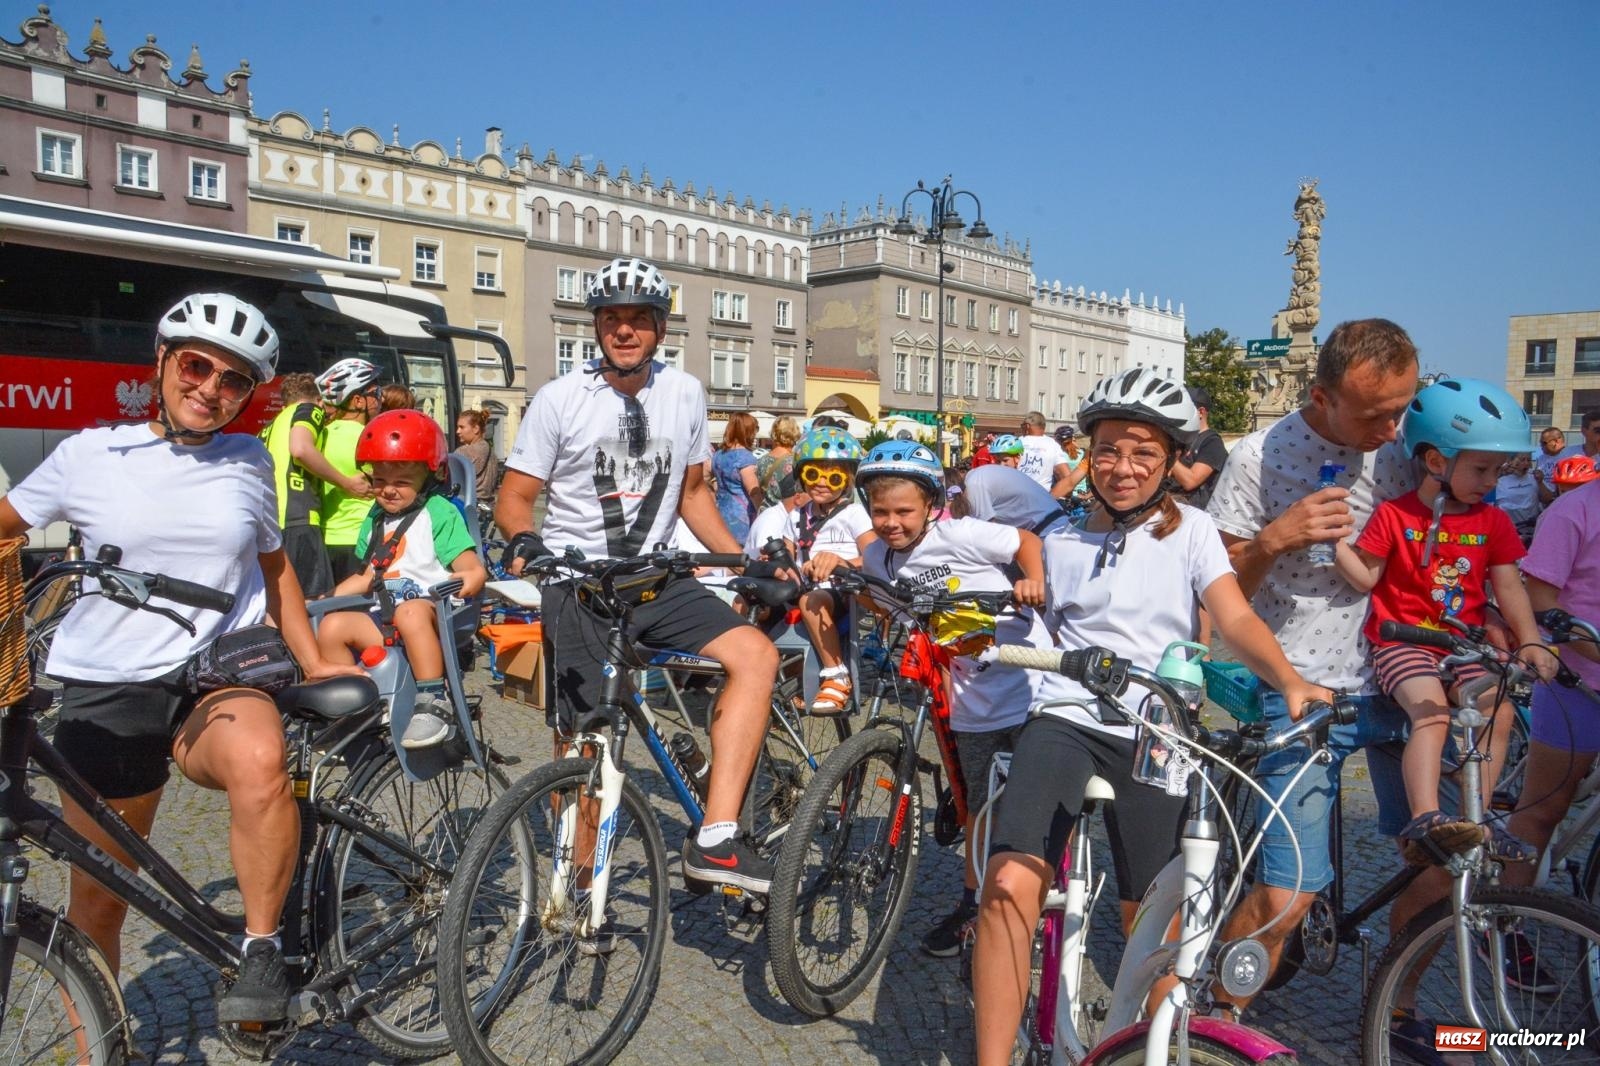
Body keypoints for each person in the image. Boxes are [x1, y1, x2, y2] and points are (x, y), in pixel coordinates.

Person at [0, 292, 362, 1022]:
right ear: (162, 362)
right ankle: (98, 1036)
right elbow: (6, 528)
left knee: (261, 761)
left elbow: (276, 567)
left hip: (214, 674)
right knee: (99, 902)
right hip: (108, 682)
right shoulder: (89, 454)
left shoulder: (248, 461)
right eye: (197, 366)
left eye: (234, 380)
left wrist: (313, 660)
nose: (211, 389)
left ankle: (261, 951)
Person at [972, 369, 1332, 1066]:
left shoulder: (1193, 533)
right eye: (1107, 449)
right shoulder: (1062, 539)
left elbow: (1234, 615)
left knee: (1155, 923)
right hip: (1067, 719)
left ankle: (1151, 1048)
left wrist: (1289, 681)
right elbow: (1032, 631)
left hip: (1158, 730)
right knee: (1010, 884)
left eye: (1142, 451)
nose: (1122, 466)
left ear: (1172, 460)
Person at [1204, 319, 1459, 1055]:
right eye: (1374, 413)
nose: (1392, 426)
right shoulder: (1259, 457)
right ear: (1322, 396)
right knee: (1287, 896)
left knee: (1444, 858)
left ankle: (1395, 1003)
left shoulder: (1412, 449)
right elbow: (1225, 594)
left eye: (1403, 407)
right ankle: (1217, 1023)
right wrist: (1273, 539)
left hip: (1401, 681)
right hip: (1298, 686)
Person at [495, 256, 781, 893]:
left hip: (659, 578)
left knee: (755, 656)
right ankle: (574, 883)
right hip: (582, 586)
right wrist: (526, 539)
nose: (625, 332)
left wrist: (743, 562)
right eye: (612, 320)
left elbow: (694, 494)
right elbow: (514, 496)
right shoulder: (559, 399)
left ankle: (716, 837)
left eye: (639, 321)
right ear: (597, 328)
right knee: (582, 741)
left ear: (659, 329)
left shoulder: (685, 393)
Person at [1334, 379, 1556, 864]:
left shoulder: (1492, 523)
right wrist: (1335, 544)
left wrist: (1532, 640)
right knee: (1431, 714)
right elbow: (1367, 577)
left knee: (1496, 709)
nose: (1491, 481)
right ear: (1436, 461)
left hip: (1464, 643)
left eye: (1497, 470)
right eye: (1480, 468)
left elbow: (1509, 586)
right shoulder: (1395, 515)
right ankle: (1427, 816)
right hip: (1403, 642)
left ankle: (1476, 817)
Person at [907, 462, 1073, 957]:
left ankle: (1041, 899)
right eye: (883, 513)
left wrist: (1034, 580)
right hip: (973, 700)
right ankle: (971, 902)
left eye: (906, 511)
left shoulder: (964, 532)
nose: (894, 522)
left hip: (1030, 688)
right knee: (979, 807)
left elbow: (1026, 542)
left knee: (1039, 805)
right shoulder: (890, 553)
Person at [317, 409, 488, 749]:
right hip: (386, 617)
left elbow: (470, 565)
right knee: (332, 625)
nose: (388, 491)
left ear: (429, 477)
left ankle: (432, 703)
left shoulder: (437, 512)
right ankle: (353, 709)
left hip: (434, 615)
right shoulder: (376, 517)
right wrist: (322, 600)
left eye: (402, 482)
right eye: (379, 481)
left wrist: (472, 576)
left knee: (410, 612)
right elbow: (367, 576)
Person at [1502, 478, 1600, 982]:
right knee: (1543, 811)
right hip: (1577, 687)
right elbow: (1540, 600)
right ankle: (1503, 924)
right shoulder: (1575, 511)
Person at [788, 426, 875, 714]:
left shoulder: (853, 513)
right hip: (805, 587)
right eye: (814, 474)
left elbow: (874, 556)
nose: (822, 483)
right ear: (802, 476)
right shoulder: (797, 515)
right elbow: (787, 556)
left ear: (847, 480)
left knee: (811, 600)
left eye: (834, 476)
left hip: (842, 592)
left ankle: (836, 674)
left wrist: (841, 562)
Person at [260, 372, 369, 598]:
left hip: (271, 521)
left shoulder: (271, 426)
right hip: (300, 518)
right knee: (312, 603)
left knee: (281, 599)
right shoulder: (309, 410)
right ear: (319, 399)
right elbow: (300, 449)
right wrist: (346, 483)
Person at [317, 358, 382, 583]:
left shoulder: (321, 434)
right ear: (357, 401)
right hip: (360, 538)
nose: (380, 400)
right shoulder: (367, 438)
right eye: (376, 393)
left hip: (325, 539)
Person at [1169, 384, 1228, 509]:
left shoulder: (1212, 443)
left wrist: (1166, 454)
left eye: (1183, 409)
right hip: (1170, 509)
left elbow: (1191, 481)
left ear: (1200, 412)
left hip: (1195, 513)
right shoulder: (1179, 439)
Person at [712, 411, 761, 543]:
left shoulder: (718, 455)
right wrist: (763, 515)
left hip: (721, 514)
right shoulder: (745, 457)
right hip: (742, 518)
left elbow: (713, 482)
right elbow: (753, 492)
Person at [1016, 411, 1076, 498]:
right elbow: (1065, 475)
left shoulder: (1017, 442)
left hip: (1017, 496)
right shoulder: (1052, 444)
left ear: (1027, 426)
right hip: (1042, 498)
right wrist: (1065, 495)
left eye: (1022, 426)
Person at [454, 407, 499, 503]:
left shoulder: (463, 452)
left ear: (475, 429)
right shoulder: (492, 453)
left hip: (468, 506)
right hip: (488, 507)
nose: (457, 431)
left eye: (462, 427)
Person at [1532, 426, 1582, 506]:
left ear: (1556, 441)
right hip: (1544, 504)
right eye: (1540, 443)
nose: (1541, 446)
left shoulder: (1571, 456)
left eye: (1544, 443)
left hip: (1564, 503)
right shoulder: (1541, 458)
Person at [757, 415, 800, 506]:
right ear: (795, 433)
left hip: (766, 514)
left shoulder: (762, 460)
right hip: (786, 514)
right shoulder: (795, 461)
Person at [1052, 423, 1090, 502]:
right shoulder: (1082, 454)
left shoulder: (1058, 456)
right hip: (1081, 495)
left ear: (1058, 441)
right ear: (1072, 439)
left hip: (1063, 495)